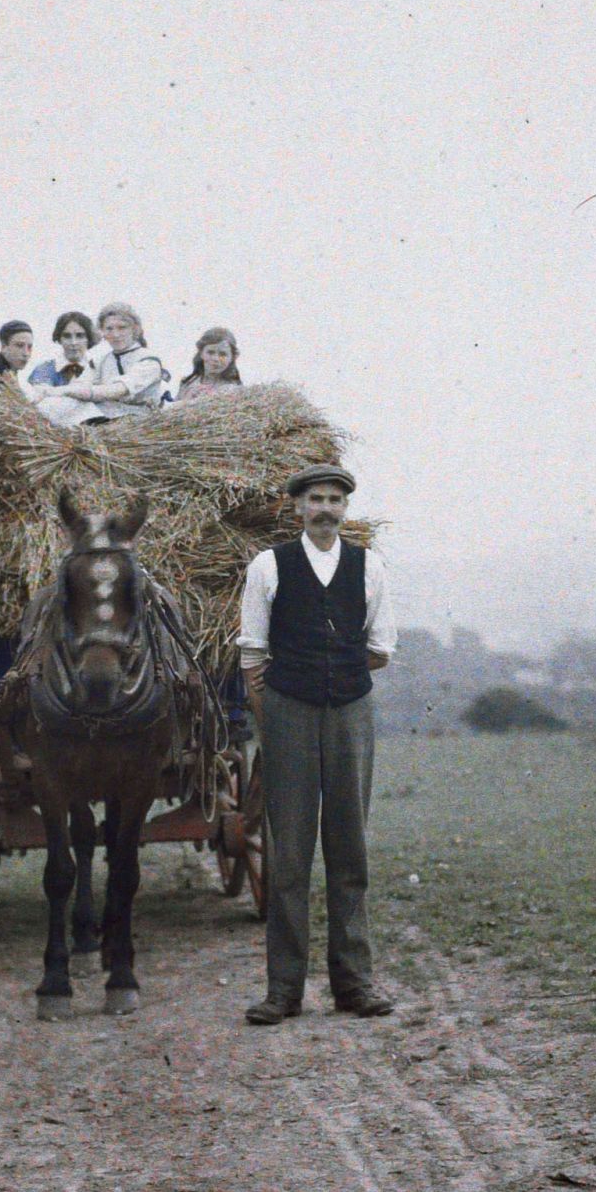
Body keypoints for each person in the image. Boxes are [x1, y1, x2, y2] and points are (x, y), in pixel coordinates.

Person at [236, 465, 398, 1025]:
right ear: (298, 508)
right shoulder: (268, 566)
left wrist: (339, 673)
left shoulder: (367, 565)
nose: (325, 509)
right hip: (288, 712)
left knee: (349, 847)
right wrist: (280, 707)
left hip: (351, 709)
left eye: (334, 500)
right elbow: (253, 652)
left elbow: (381, 647)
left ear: (345, 509)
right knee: (289, 852)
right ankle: (284, 990)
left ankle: (355, 983)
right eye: (315, 500)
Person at [36, 301, 169, 425]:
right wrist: (50, 394)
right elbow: (80, 385)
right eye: (109, 329)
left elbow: (116, 391)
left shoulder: (148, 360)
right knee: (58, 404)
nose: (115, 334)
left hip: (138, 421)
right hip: (108, 415)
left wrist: (63, 390)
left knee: (69, 401)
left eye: (122, 328)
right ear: (102, 332)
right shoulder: (101, 360)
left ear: (134, 329)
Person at [27, 311, 97, 413]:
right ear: (59, 339)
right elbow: (40, 399)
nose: (73, 342)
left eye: (80, 336)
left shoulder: (97, 368)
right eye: (67, 336)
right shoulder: (44, 369)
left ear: (88, 338)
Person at [176, 327, 242, 400]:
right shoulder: (188, 382)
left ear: (232, 357)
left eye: (223, 354)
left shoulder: (234, 390)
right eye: (210, 352)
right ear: (201, 353)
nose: (215, 359)